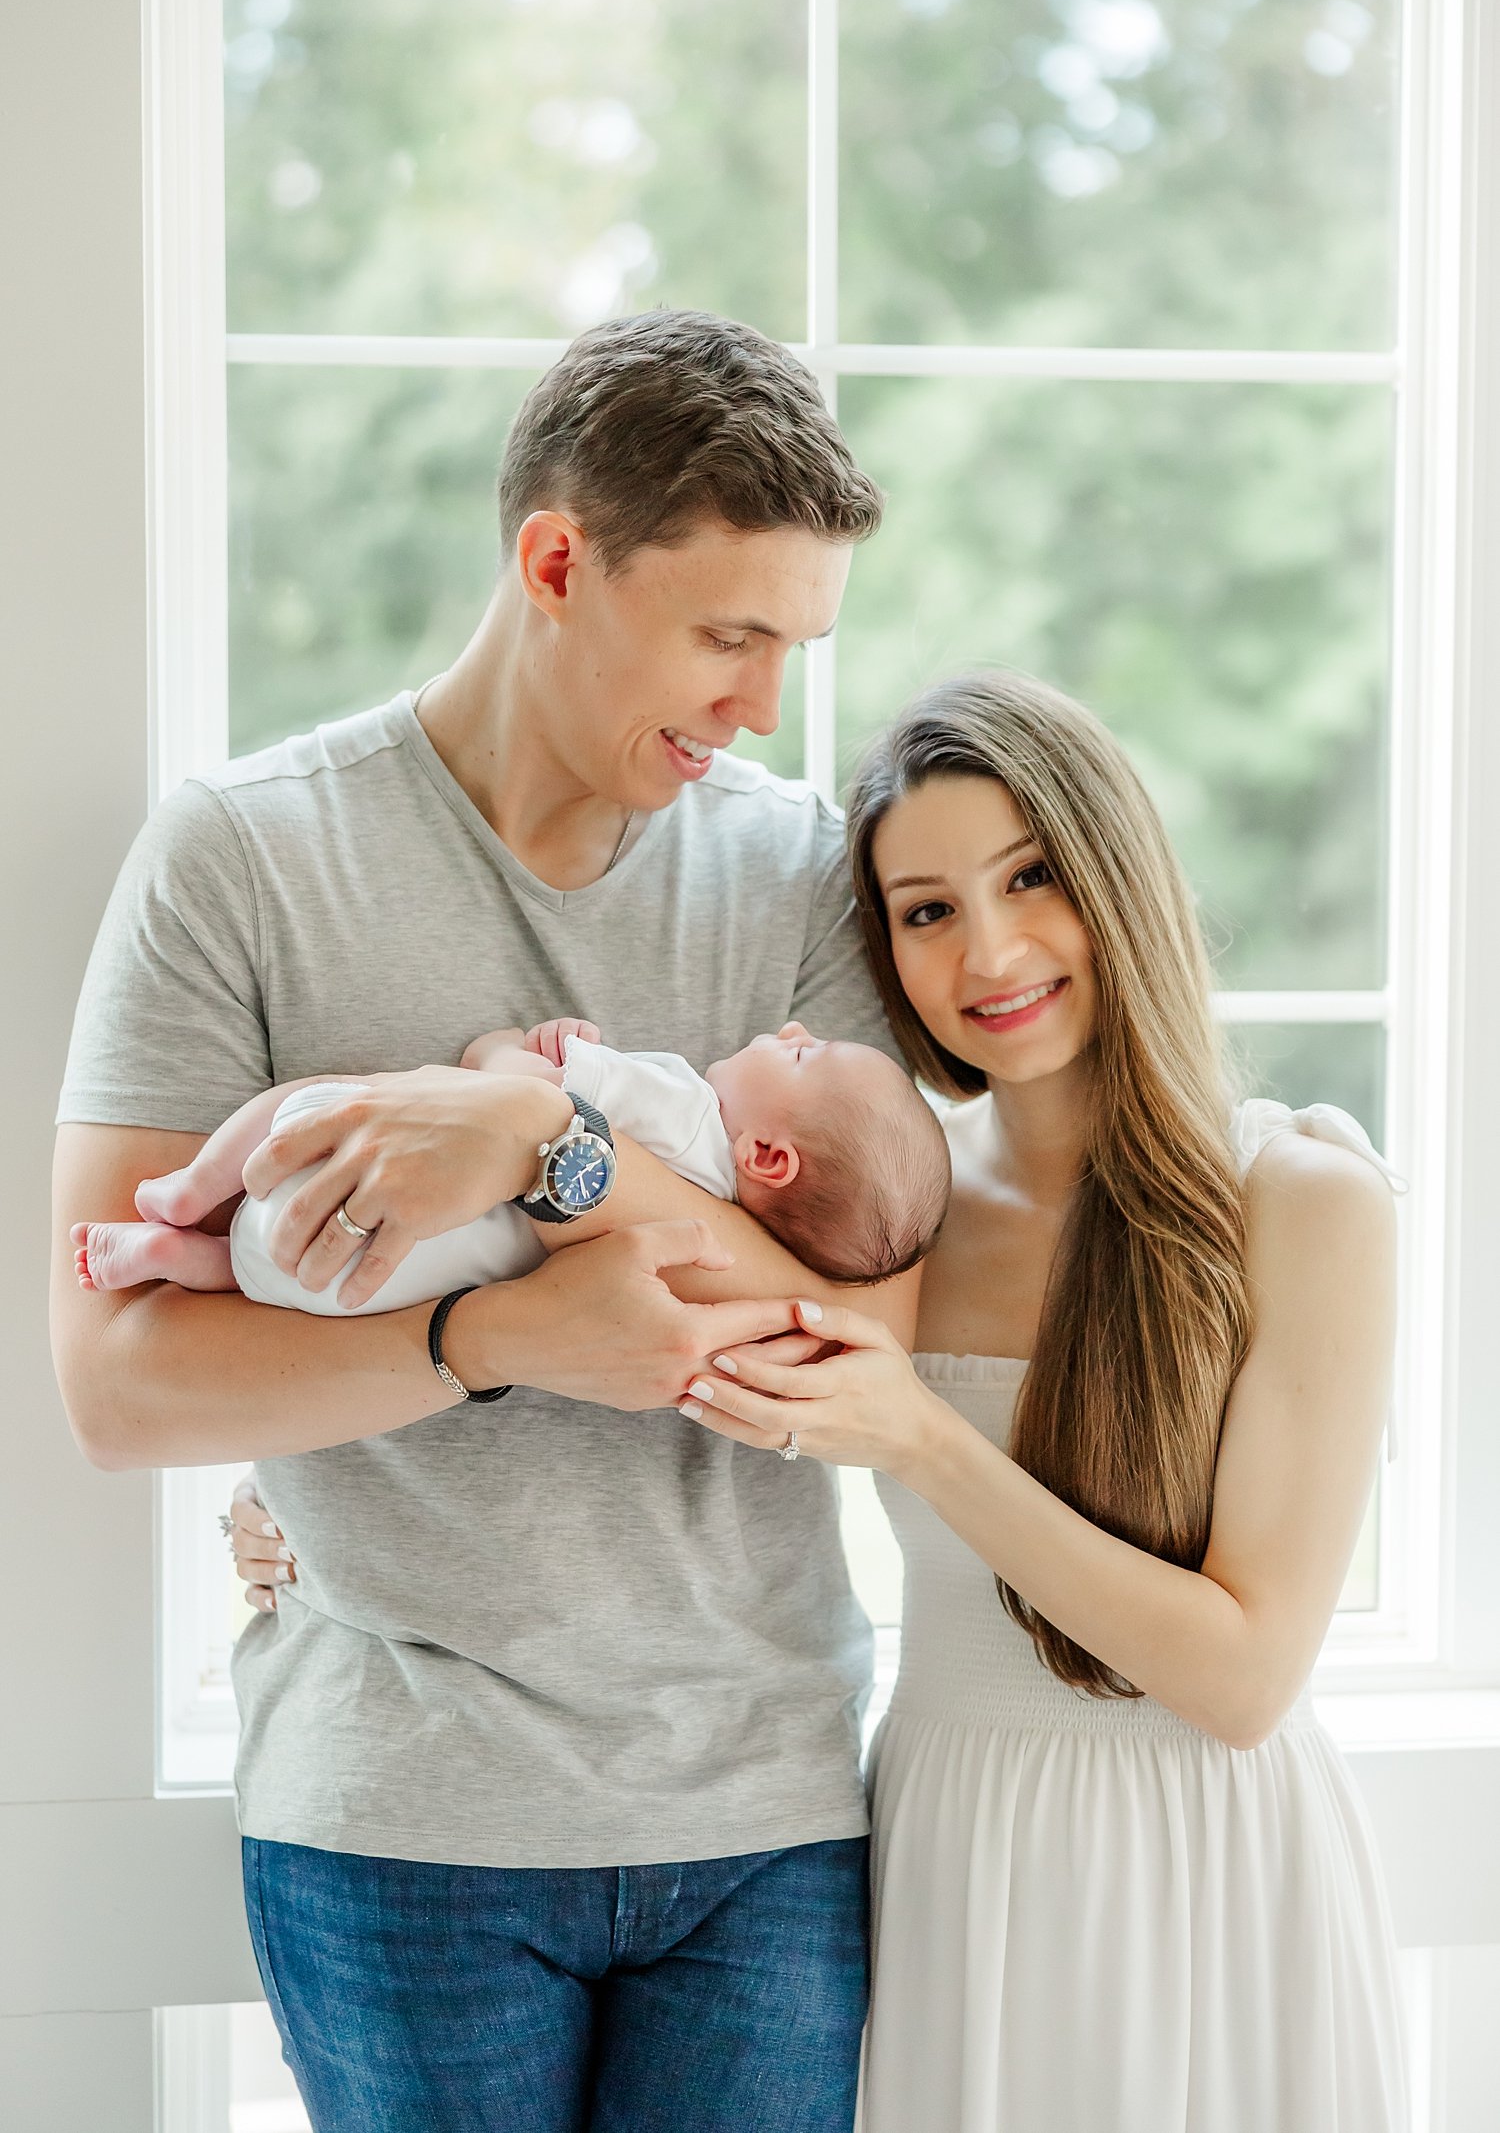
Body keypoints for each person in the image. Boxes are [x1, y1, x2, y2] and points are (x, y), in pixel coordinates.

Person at [51, 310, 913, 2133]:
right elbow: (120, 1387)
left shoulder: (796, 875)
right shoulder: (243, 858)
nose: (761, 703)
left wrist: (544, 1142)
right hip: (400, 1815)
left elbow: (877, 1328)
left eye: (791, 648)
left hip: (764, 1814)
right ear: (553, 564)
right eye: (729, 636)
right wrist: (482, 1342)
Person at [657, 670, 1408, 2132]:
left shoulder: (1303, 1199)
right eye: (926, 909)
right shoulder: (888, 1210)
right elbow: (635, 1355)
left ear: (1114, 873)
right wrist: (289, 1521)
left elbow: (1245, 1677)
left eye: (1030, 876)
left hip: (1210, 1867)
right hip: (953, 1849)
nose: (987, 947)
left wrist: (924, 1435)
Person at [71, 1012, 949, 1303]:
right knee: (270, 1273)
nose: (791, 1029)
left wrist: (515, 1047)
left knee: (308, 1099)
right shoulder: (711, 1250)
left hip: (337, 1166)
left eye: (803, 1055)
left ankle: (187, 1194)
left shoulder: (681, 1109)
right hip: (365, 1286)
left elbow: (512, 1091)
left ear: (767, 1155)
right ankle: (187, 1258)